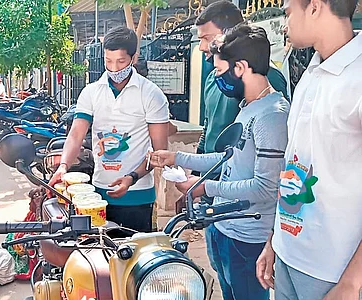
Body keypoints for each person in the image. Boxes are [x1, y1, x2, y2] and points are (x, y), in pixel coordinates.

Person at [150, 24, 290, 300]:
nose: (216, 76)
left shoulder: (272, 116)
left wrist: (205, 189)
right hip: (223, 227)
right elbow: (229, 159)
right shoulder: (249, 106)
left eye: (219, 69)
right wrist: (177, 157)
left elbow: (265, 187)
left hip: (248, 238)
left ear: (240, 67)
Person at [256, 1, 362, 300]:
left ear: (314, 7)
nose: (283, 23)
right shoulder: (312, 70)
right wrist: (275, 241)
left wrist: (352, 283)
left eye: (288, 12)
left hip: (334, 271)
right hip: (290, 256)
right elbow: (294, 166)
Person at [49, 26, 170, 232]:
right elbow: (76, 134)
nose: (114, 68)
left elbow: (159, 154)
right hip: (96, 197)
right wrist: (64, 165)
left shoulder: (151, 94)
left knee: (134, 258)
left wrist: (132, 178)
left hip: (137, 196)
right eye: (108, 61)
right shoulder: (91, 92)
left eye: (121, 61)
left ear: (133, 57)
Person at [194, 0, 288, 157]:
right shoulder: (212, 78)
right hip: (211, 170)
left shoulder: (266, 78)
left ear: (228, 33)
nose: (202, 47)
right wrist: (197, 164)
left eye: (206, 38)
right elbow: (208, 126)